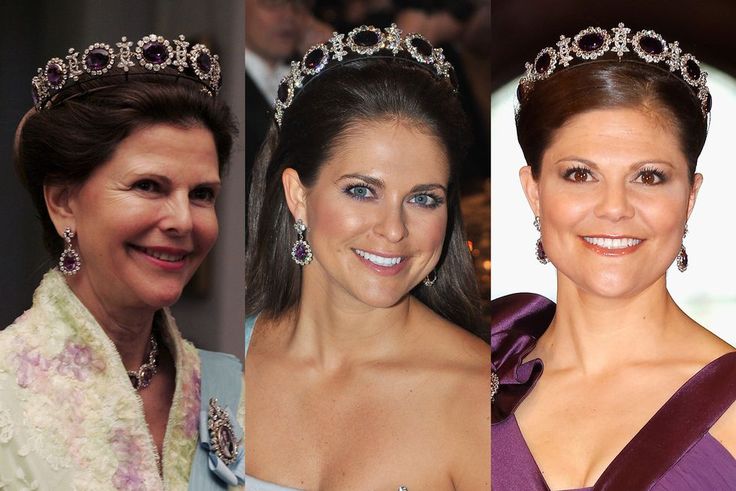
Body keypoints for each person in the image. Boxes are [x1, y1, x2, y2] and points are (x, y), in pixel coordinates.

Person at [491, 23, 736, 489]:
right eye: (580, 175)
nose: (615, 208)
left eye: (649, 177)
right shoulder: (479, 368)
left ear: (690, 197)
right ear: (534, 192)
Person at [245, 24, 489, 490]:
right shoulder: (218, 371)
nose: (394, 229)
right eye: (361, 191)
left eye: (424, 199)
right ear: (298, 195)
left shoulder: (480, 397)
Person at [1, 34, 243, 489]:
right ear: (63, 202)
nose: (182, 220)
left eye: (202, 194)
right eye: (148, 186)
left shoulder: (234, 386)